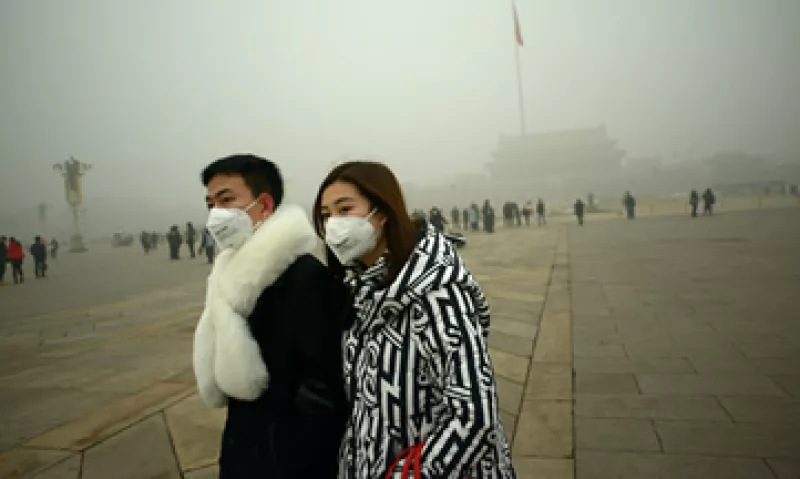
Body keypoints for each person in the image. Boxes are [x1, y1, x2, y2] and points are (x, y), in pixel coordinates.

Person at [313, 161, 515, 479]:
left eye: (345, 209)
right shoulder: (358, 291)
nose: (333, 224)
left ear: (381, 213)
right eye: (326, 215)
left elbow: (474, 415)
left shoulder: (439, 293)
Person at [193, 154, 348, 478]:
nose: (215, 215)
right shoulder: (229, 274)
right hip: (244, 445)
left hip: (285, 459)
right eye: (210, 204)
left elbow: (324, 392)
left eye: (227, 200)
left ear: (264, 205)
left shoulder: (306, 277)